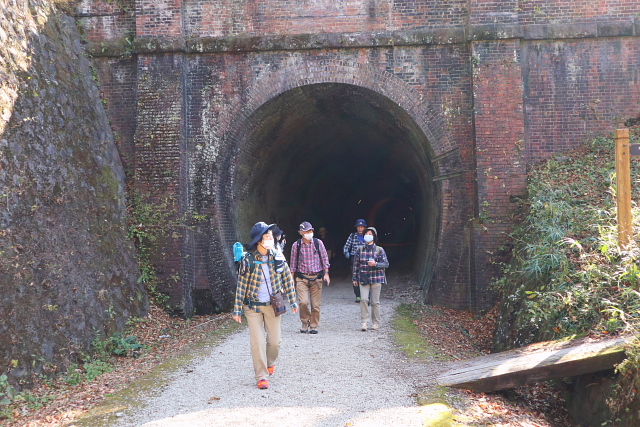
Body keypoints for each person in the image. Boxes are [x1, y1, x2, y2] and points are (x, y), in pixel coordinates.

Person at [232, 222, 299, 390]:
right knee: (257, 342)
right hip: (252, 307)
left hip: (273, 306)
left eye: (271, 236)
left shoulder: (278, 256)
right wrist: (237, 309)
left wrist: (293, 301)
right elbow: (241, 286)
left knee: (275, 342)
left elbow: (287, 280)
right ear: (259, 240)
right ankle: (261, 376)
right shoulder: (248, 259)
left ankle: (270, 362)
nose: (270, 239)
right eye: (266, 236)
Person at [290, 221, 331, 334]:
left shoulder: (318, 243)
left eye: (311, 230)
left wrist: (326, 273)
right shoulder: (296, 245)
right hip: (302, 278)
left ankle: (313, 325)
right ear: (302, 233)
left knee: (316, 305)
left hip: (316, 278)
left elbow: (324, 259)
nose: (310, 233)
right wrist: (290, 279)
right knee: (303, 302)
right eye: (307, 231)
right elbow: (293, 264)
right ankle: (305, 321)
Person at [352, 227, 389, 331]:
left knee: (375, 301)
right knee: (363, 299)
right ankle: (364, 322)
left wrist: (376, 264)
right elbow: (356, 265)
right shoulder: (360, 249)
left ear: (374, 237)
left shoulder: (379, 249)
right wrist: (355, 278)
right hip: (364, 278)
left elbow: (386, 264)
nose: (368, 235)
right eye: (366, 233)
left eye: (370, 234)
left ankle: (376, 322)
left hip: (376, 278)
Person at [343, 219, 367, 303]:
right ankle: (358, 296)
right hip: (354, 258)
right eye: (358, 227)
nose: (360, 229)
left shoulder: (368, 235)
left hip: (365, 258)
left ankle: (366, 295)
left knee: (366, 275)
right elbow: (347, 246)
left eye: (361, 227)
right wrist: (346, 252)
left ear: (364, 227)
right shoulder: (352, 236)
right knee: (355, 276)